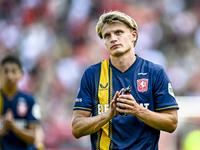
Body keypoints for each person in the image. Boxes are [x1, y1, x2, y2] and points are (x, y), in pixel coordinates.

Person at [71, 11, 179, 150]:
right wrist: (108, 115)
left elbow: (172, 123)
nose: (113, 39)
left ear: (133, 35)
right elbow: (76, 128)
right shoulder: (92, 75)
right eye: (107, 36)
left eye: (119, 32)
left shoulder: (155, 73)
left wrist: (137, 110)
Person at [0, 55, 41, 150]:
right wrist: (4, 129)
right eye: (5, 71)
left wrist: (13, 126)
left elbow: (32, 138)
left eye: (13, 71)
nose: (9, 76)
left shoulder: (30, 100)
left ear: (21, 75)